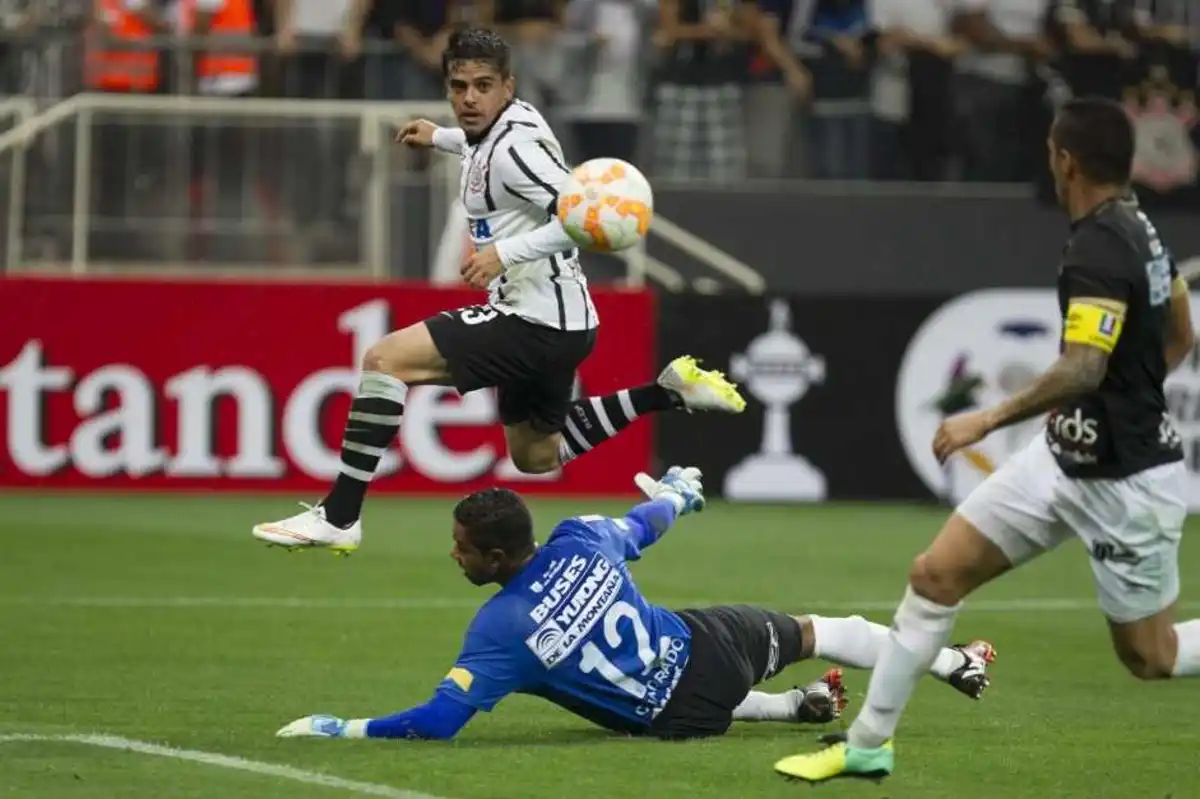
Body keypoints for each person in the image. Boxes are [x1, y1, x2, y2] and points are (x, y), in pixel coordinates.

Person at [774, 97, 1199, 784]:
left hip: (1128, 481)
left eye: (1051, 152)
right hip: (1062, 459)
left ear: (1066, 160)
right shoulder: (1142, 231)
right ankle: (867, 744)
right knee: (935, 576)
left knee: (1150, 655)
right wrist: (1129, 398)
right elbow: (1181, 333)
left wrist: (984, 419)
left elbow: (1086, 364)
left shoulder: (1099, 245)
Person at [251, 28, 744, 554]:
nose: (469, 98)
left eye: (483, 85)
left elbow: (582, 216)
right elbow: (478, 146)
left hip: (535, 319)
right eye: (458, 85)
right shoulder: (503, 125)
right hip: (565, 324)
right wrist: (438, 136)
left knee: (385, 359)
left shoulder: (516, 148)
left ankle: (340, 515)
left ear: (507, 86)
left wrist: (504, 254)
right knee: (535, 456)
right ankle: (665, 393)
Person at [274, 467, 996, 742]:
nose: (454, 554)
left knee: (642, 688)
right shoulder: (580, 537)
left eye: (462, 546)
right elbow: (644, 523)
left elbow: (436, 722)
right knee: (826, 629)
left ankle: (785, 707)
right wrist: (678, 492)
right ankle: (954, 661)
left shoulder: (499, 628)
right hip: (715, 649)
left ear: (497, 558)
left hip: (677, 720)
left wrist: (345, 727)